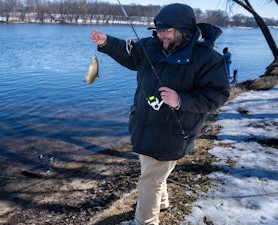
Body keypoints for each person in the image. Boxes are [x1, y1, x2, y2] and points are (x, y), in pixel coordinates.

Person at [90, 3, 230, 225]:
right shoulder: (151, 45)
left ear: (183, 31)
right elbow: (130, 53)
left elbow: (217, 95)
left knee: (150, 179)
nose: (160, 35)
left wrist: (180, 100)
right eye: (158, 30)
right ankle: (162, 202)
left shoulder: (209, 59)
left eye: (167, 31)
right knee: (153, 171)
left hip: (173, 131)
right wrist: (106, 42)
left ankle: (145, 221)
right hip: (143, 123)